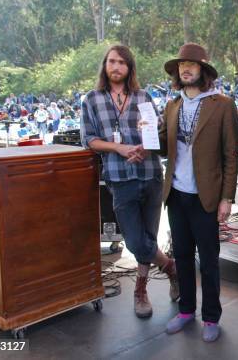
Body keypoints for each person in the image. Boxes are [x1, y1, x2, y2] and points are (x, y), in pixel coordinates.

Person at [80, 44, 179, 319]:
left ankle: (141, 291)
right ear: (105, 65)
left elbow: (157, 133)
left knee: (148, 236)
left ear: (129, 68)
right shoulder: (91, 99)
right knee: (135, 241)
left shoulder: (143, 96)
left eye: (122, 63)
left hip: (149, 174)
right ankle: (171, 267)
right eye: (112, 62)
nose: (116, 67)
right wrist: (120, 149)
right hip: (120, 177)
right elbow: (89, 140)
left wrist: (145, 146)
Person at [159, 43, 238, 342]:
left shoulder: (222, 104)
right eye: (182, 64)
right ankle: (185, 311)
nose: (185, 68)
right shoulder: (172, 106)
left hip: (206, 197)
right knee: (181, 256)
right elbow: (162, 147)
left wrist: (227, 198)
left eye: (192, 64)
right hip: (176, 195)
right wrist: (144, 132)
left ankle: (211, 317)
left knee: (208, 260)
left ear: (203, 69)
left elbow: (231, 155)